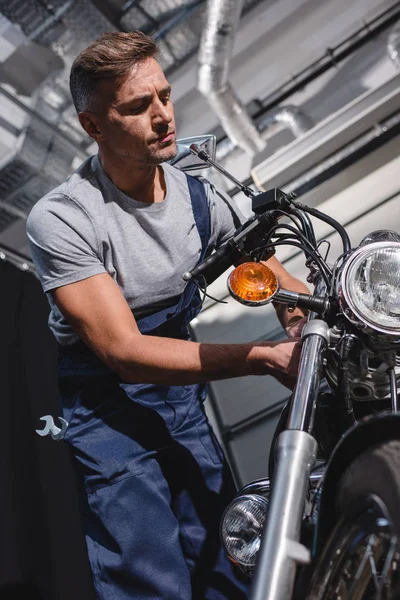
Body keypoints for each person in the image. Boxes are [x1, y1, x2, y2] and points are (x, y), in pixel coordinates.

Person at [26, 31, 309, 600]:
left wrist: (309, 323)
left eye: (164, 97)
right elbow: (124, 353)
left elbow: (276, 279)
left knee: (227, 550)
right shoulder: (64, 218)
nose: (162, 117)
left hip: (180, 400)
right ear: (93, 126)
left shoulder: (202, 194)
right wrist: (262, 357)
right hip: (106, 408)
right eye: (136, 106)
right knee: (150, 576)